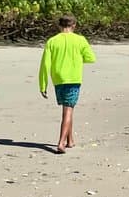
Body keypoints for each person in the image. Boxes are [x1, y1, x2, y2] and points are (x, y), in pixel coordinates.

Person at [38, 14, 96, 153]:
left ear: (59, 25)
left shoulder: (52, 41)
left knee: (67, 107)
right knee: (68, 110)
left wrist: (43, 84)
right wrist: (76, 58)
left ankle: (70, 140)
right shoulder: (80, 40)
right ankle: (61, 142)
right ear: (74, 25)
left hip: (58, 78)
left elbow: (45, 64)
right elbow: (91, 58)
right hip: (73, 78)